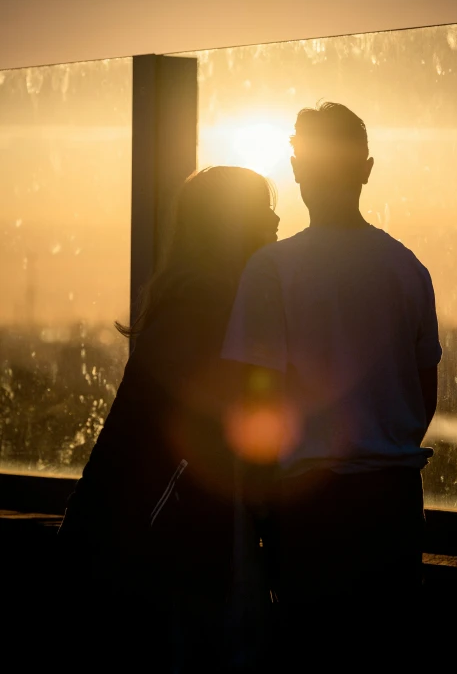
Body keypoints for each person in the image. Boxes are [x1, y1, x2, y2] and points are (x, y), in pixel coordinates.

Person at [221, 102, 442, 663]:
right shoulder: (408, 270)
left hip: (311, 507)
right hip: (393, 504)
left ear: (296, 170)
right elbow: (424, 393)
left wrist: (259, 513)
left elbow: (257, 404)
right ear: (366, 169)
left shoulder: (272, 270)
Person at [56, 165, 280, 672]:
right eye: (263, 211)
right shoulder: (206, 315)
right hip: (170, 552)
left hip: (154, 546)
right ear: (230, 225)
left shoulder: (191, 308)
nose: (276, 221)